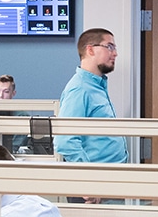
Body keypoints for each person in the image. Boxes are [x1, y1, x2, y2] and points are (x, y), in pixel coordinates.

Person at [54, 28, 128, 203]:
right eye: (109, 47)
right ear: (90, 49)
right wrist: (89, 183)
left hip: (106, 185)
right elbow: (65, 141)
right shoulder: (80, 88)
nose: (115, 53)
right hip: (92, 189)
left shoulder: (96, 86)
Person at [0, 74, 28, 153]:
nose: (1, 96)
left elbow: (14, 146)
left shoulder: (21, 116)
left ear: (13, 93)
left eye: (6, 92)